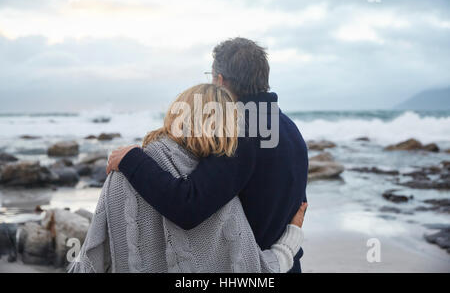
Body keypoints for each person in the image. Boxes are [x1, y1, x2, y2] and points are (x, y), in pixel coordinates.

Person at [107, 38, 309, 272]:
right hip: (286, 263)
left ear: (220, 81)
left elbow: (188, 206)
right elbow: (298, 203)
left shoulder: (239, 130)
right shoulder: (289, 128)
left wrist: (133, 160)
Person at [69, 84, 307, 273]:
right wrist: (292, 236)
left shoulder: (122, 169)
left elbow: (92, 256)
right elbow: (261, 270)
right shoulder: (219, 199)